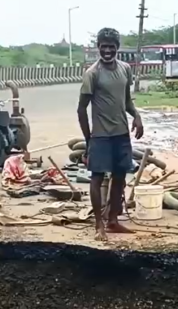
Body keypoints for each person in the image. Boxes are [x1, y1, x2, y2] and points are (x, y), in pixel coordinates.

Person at [77, 27, 145, 241]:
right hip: (100, 136)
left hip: (121, 134)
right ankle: (99, 224)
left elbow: (126, 100)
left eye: (111, 47)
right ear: (98, 48)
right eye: (104, 47)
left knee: (120, 177)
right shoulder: (92, 74)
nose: (108, 50)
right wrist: (89, 140)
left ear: (117, 48)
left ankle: (113, 220)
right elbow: (81, 110)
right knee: (97, 178)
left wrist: (137, 116)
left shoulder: (125, 69)